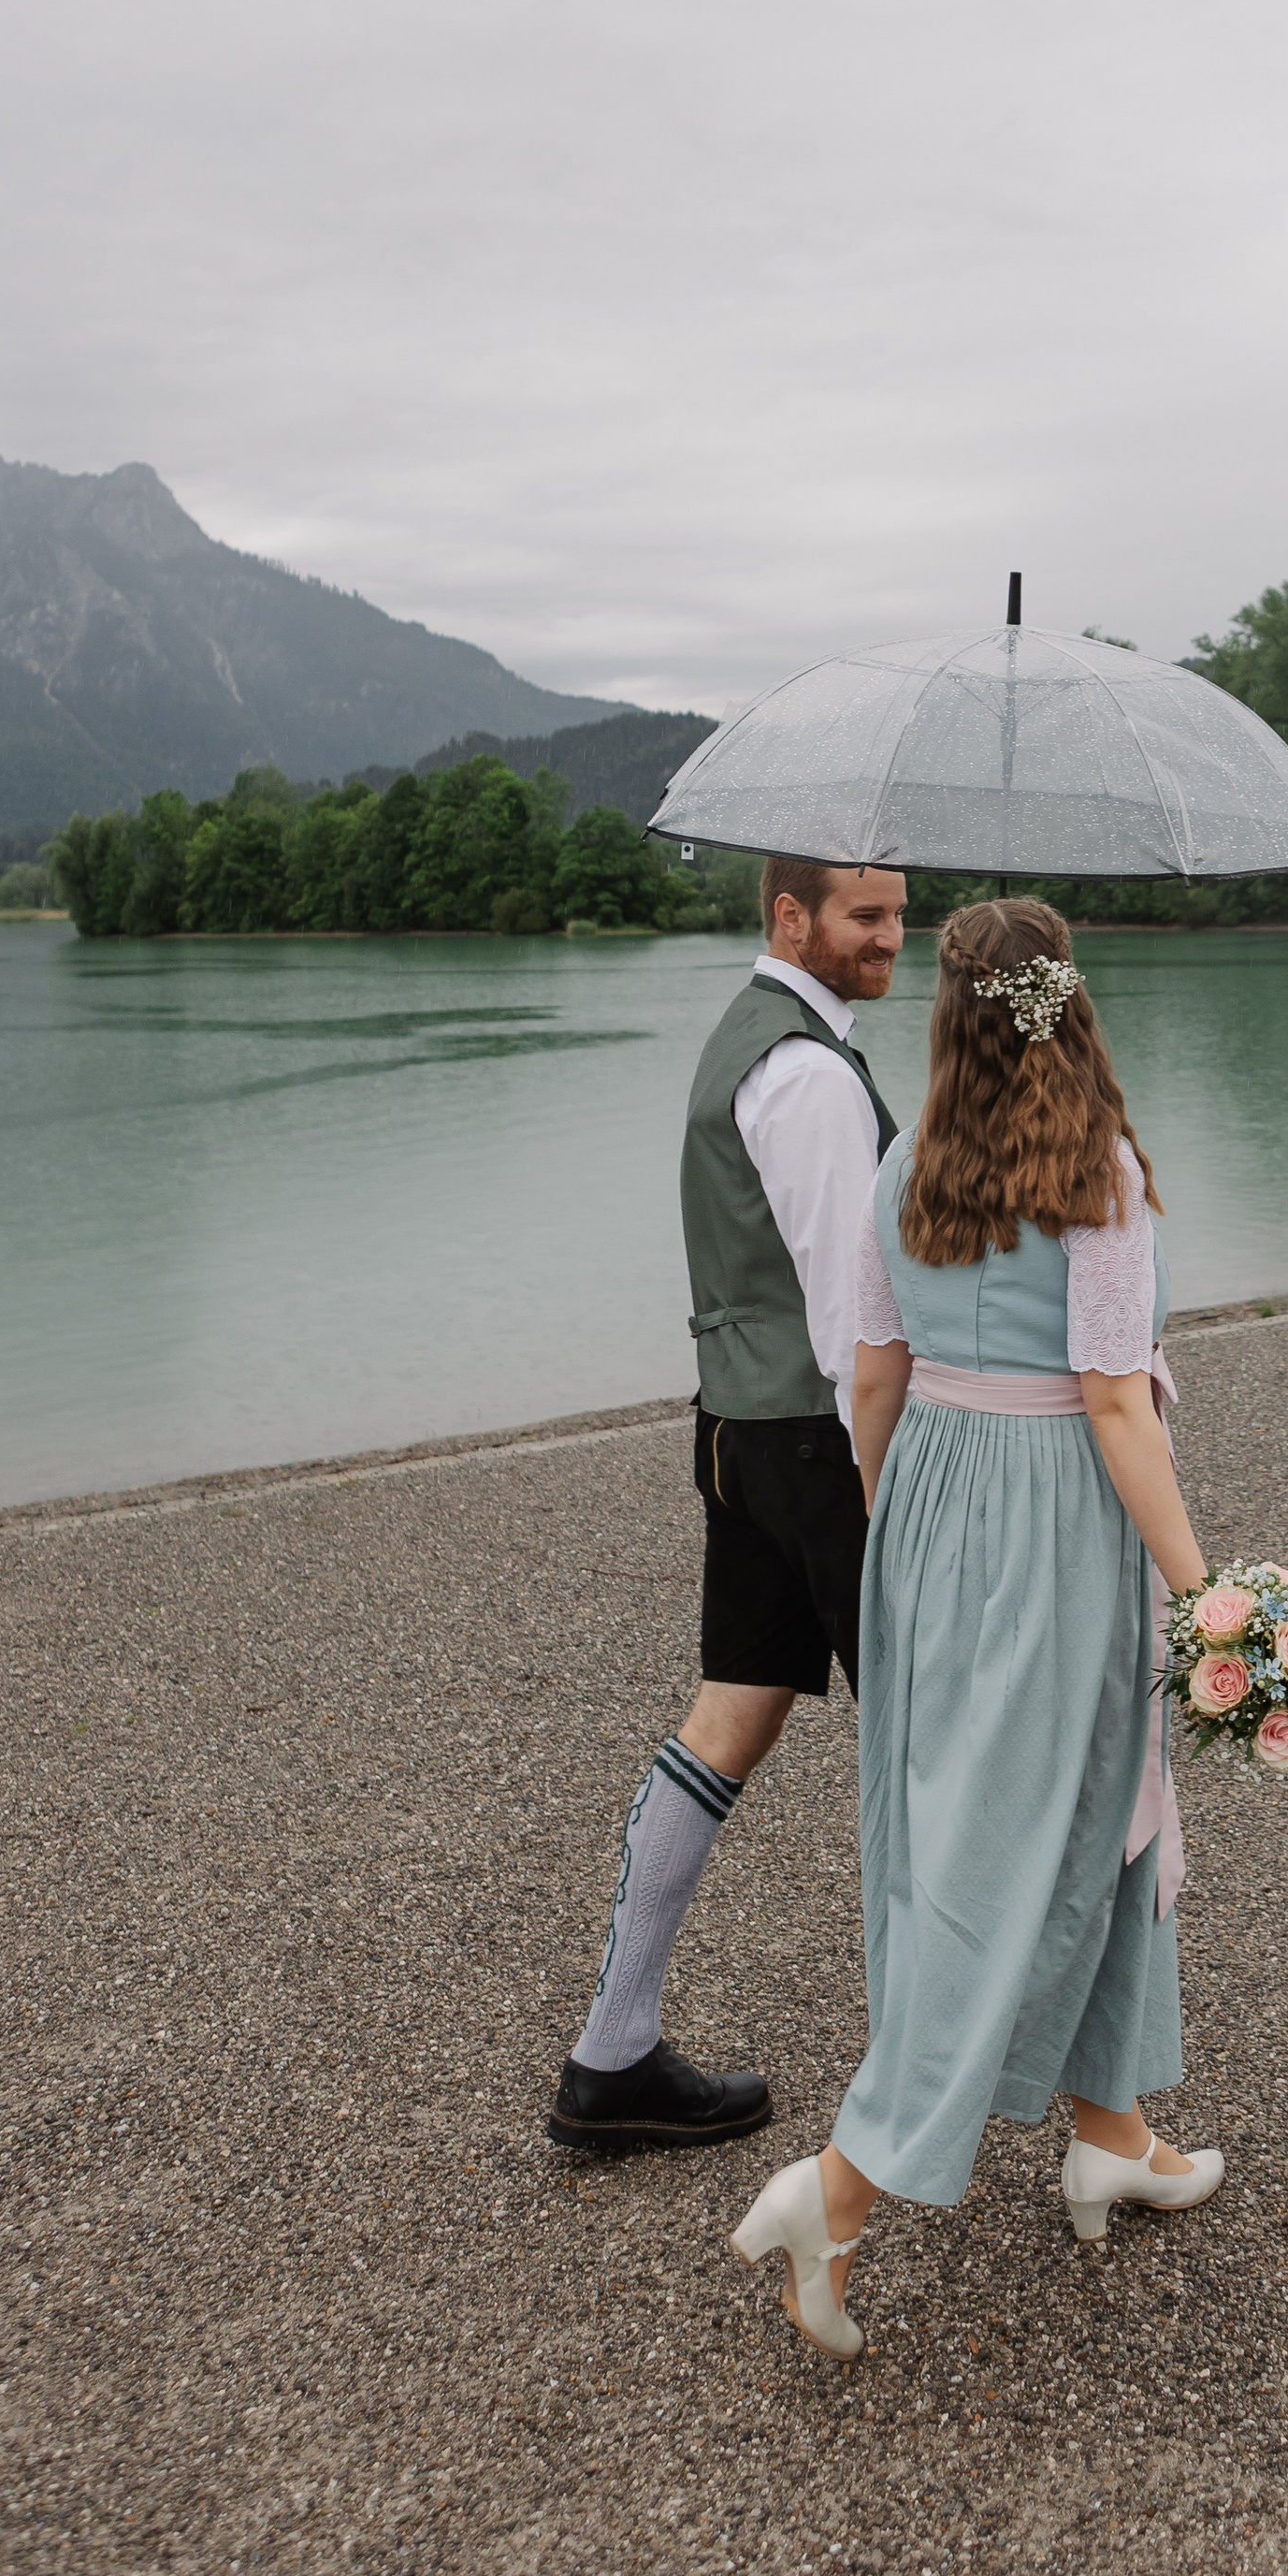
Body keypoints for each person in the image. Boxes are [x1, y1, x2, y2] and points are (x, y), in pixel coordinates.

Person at [729, 897, 1223, 2354]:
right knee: (1015, 1850)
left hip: (933, 1513)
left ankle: (1112, 2130)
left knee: (1080, 1818)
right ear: (1071, 1006)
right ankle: (844, 2185)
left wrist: (903, 1532)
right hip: (1059, 1522)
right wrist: (1205, 1591)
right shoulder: (1101, 1176)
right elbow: (1118, 1403)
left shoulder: (904, 1167)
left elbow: (871, 1377)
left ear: (953, 1017)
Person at [547, 857, 908, 2151]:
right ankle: (936, 2078)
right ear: (790, 916)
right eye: (865, 917)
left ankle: (614, 2054)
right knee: (925, 1740)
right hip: (822, 1444)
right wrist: (902, 1468)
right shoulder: (807, 1072)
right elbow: (846, 1307)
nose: (889, 937)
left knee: (735, 1713)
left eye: (898, 913)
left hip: (738, 1428)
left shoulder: (746, 1038)